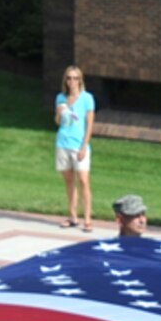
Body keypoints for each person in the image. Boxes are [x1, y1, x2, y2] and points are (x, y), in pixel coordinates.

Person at [54, 66, 96, 230]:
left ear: (80, 80)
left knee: (84, 181)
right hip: (63, 143)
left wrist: (84, 146)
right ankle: (73, 216)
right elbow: (58, 122)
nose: (71, 81)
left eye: (75, 78)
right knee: (69, 181)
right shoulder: (60, 98)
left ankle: (87, 219)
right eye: (69, 78)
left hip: (79, 145)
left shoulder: (87, 99)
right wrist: (58, 113)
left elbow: (89, 125)